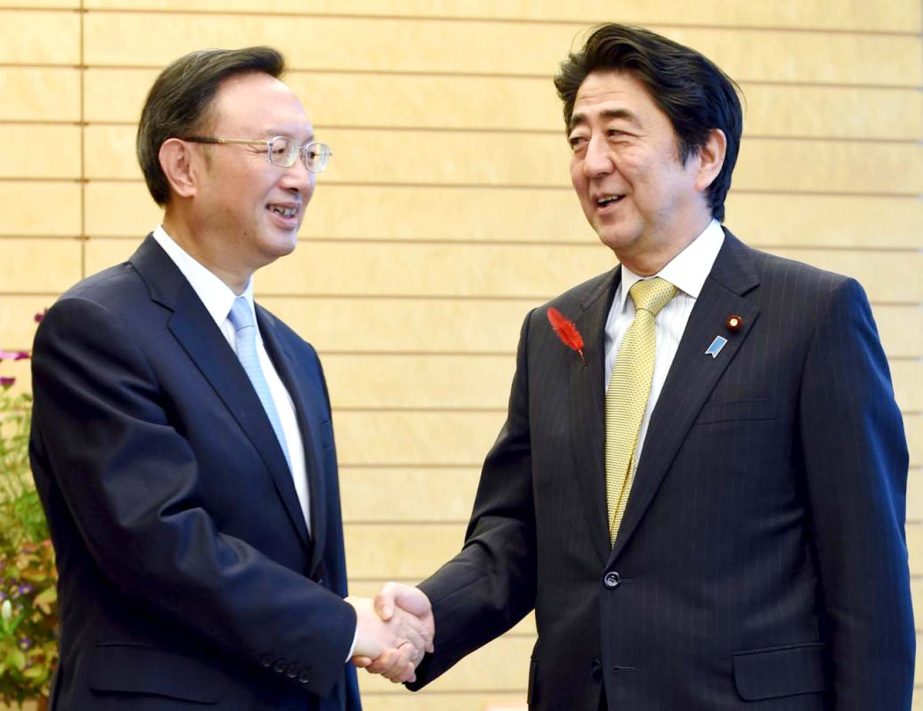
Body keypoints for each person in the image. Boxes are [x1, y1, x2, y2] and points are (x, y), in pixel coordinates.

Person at [369, 23, 915, 710]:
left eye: (618, 134)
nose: (591, 162)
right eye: (576, 139)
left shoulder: (812, 315)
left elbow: (866, 579)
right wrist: (430, 613)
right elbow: (515, 532)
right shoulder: (552, 331)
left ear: (705, 156)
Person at [29, 47, 429, 710]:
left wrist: (357, 636)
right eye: (274, 149)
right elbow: (158, 543)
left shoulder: (293, 354)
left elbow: (313, 566)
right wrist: (344, 624)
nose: (300, 177)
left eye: (309, 153)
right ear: (183, 165)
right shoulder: (97, 328)